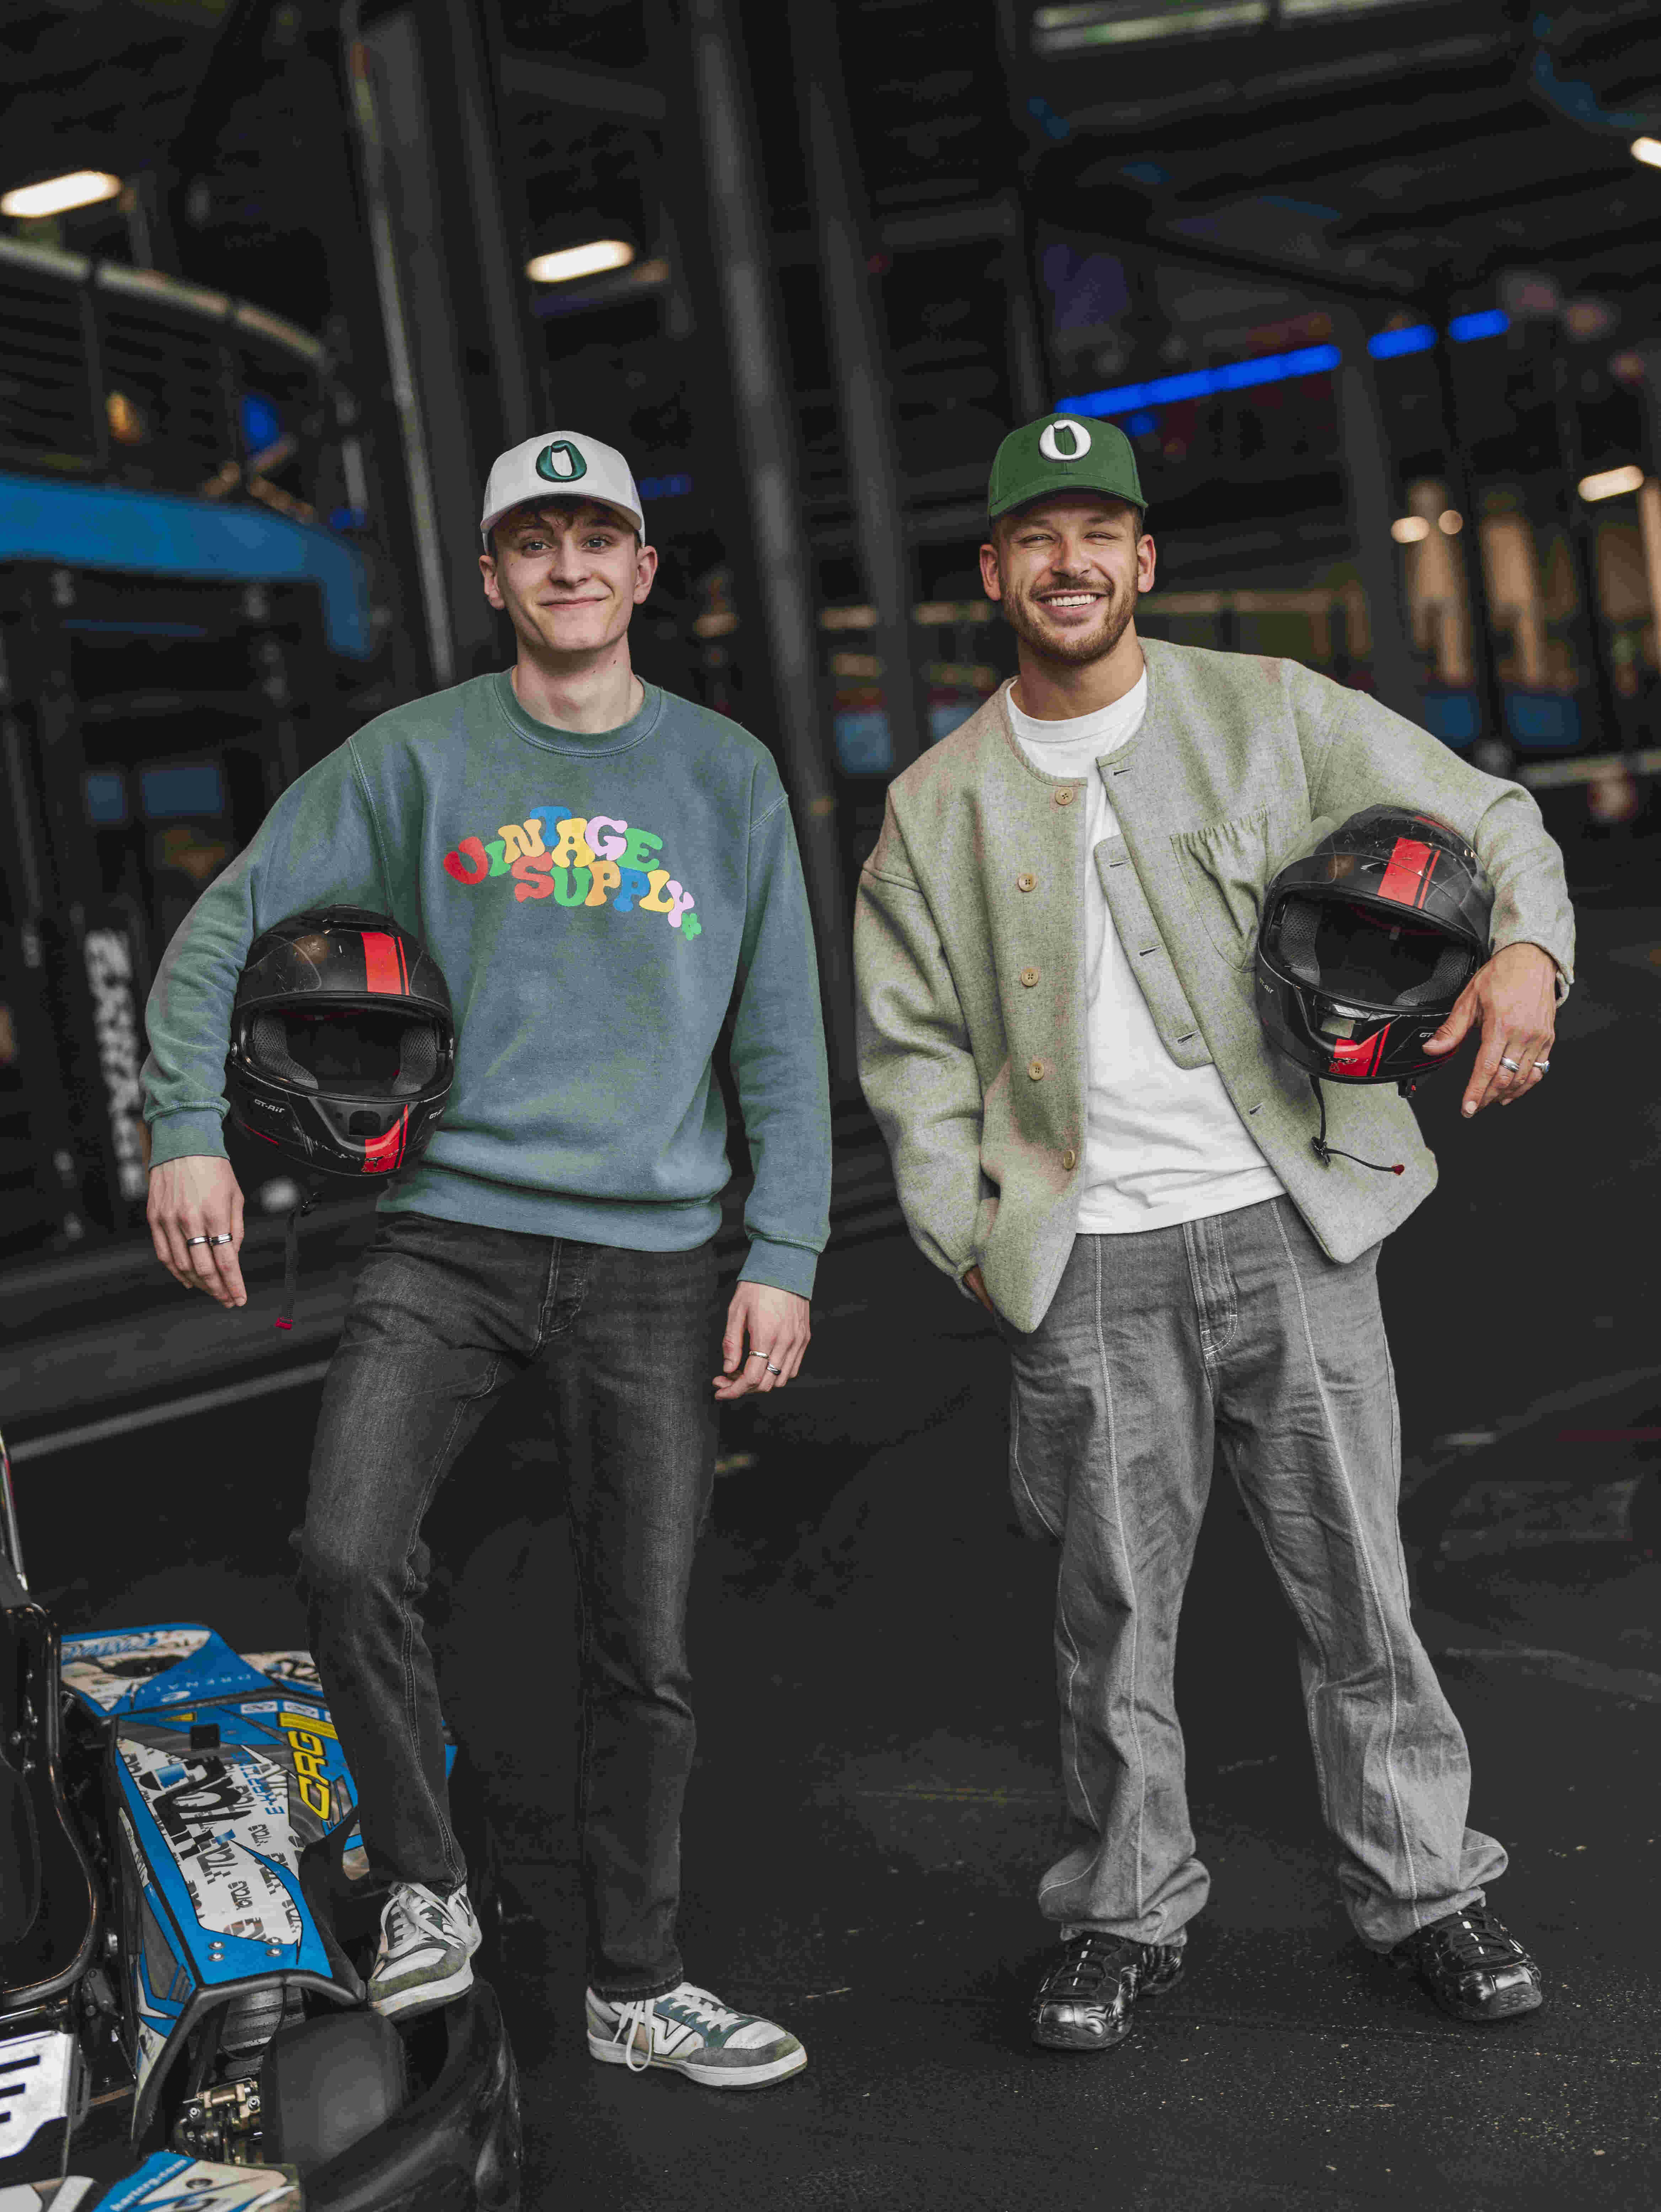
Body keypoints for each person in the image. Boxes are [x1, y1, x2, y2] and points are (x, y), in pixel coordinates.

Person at [854, 413, 1573, 2052]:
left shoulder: (1265, 713)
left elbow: (1491, 815)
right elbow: (908, 1059)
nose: (1071, 562)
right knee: (1111, 1615)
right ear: (993, 573)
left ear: (1142, 562)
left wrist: (1526, 953)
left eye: (1098, 533)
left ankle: (1428, 1891)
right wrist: (978, 1237)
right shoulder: (936, 805)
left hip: (1289, 1225)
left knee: (1358, 1591)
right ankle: (1121, 1912)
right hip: (1084, 1260)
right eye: (1036, 539)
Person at [141, 429, 829, 2090]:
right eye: (537, 542)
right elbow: (225, 923)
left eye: (600, 538)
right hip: (446, 1236)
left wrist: (786, 1247)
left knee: (640, 1640)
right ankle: (424, 1884)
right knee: (342, 1549)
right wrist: (183, 1127)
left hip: (656, 1262)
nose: (571, 566)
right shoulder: (413, 761)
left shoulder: (724, 777)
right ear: (492, 578)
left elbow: (783, 1036)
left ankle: (636, 1985)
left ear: (644, 572)